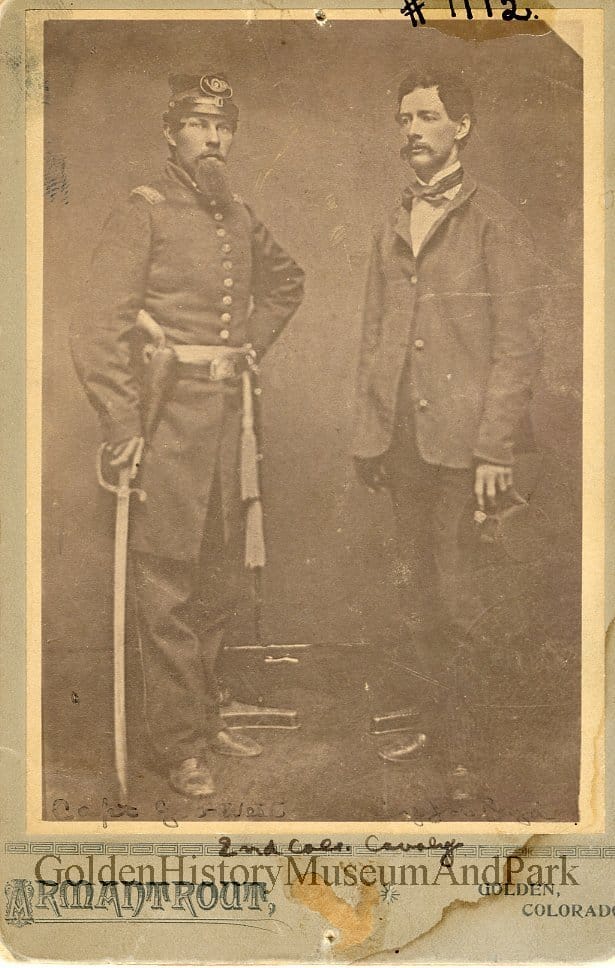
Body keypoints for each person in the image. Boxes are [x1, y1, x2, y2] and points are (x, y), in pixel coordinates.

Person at [71, 73, 305, 797]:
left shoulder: (238, 213)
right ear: (170, 133)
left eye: (223, 126)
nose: (214, 138)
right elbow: (96, 327)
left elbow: (287, 282)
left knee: (217, 581)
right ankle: (179, 745)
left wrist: (246, 348)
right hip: (166, 425)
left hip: (229, 428)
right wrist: (122, 423)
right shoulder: (143, 211)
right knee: (167, 586)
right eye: (200, 125)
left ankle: (203, 717)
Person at [352, 67, 542, 766]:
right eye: (404, 119)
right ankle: (437, 729)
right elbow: (374, 334)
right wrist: (370, 435)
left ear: (460, 127)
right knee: (420, 592)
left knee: (464, 595)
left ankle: (470, 749)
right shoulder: (392, 220)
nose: (412, 131)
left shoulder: (494, 220)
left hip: (468, 447)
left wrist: (494, 449)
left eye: (427, 116)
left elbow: (518, 345)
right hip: (404, 441)